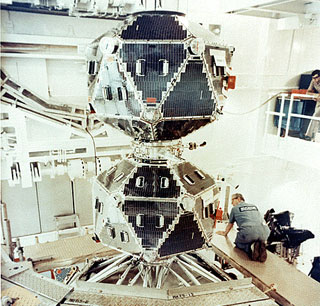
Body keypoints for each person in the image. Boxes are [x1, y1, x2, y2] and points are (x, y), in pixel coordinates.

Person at [216, 193, 270, 262]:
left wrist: (225, 233)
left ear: (238, 198)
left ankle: (251, 248)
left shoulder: (234, 209)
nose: (231, 203)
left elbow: (230, 224)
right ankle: (260, 245)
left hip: (249, 233)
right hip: (265, 232)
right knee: (254, 236)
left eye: (232, 201)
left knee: (238, 244)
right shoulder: (254, 206)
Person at [305, 69, 320, 141]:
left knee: (316, 115)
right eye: (313, 78)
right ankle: (312, 135)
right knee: (315, 116)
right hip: (319, 100)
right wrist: (315, 95)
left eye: (316, 77)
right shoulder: (313, 81)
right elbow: (308, 92)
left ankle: (311, 135)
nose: (315, 79)